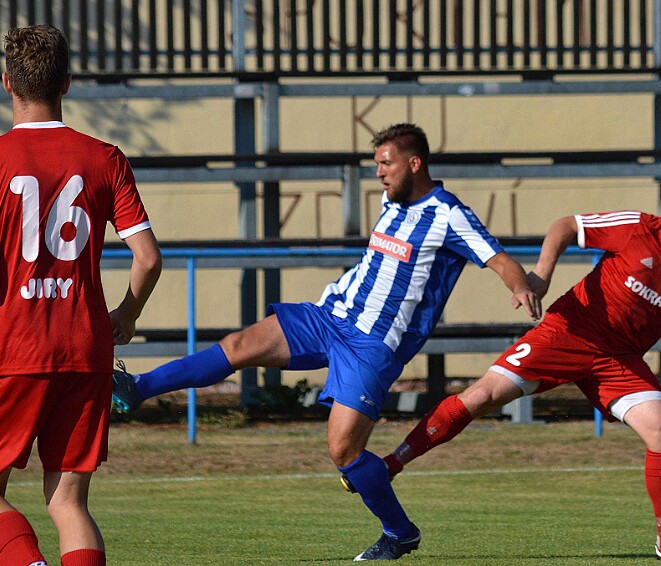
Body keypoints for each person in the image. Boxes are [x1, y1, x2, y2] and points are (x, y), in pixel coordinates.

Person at [112, 122, 542, 560]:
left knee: (343, 450)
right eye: (376, 164)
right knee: (241, 344)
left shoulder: (448, 214)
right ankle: (138, 387)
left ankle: (400, 533)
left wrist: (519, 285)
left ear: (415, 164)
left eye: (386, 163)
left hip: (372, 345)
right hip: (330, 315)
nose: (379, 173)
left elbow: (499, 259)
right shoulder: (391, 202)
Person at [382, 178, 661, 562]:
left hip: (618, 358)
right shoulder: (639, 226)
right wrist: (542, 275)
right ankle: (392, 464)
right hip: (566, 332)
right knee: (480, 397)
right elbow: (567, 225)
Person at [0, 25, 162, 566]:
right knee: (68, 500)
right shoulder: (105, 158)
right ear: (67, 83)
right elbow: (148, 257)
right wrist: (124, 314)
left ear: (7, 83)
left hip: (11, 347)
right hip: (84, 346)